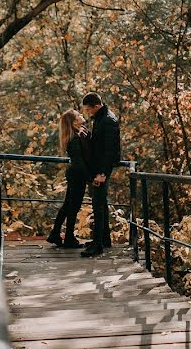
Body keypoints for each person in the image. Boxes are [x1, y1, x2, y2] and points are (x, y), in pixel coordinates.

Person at [79, 92, 120, 257]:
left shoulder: (108, 120)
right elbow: (99, 144)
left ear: (96, 106)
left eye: (89, 110)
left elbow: (109, 151)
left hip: (102, 170)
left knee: (98, 206)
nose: (88, 113)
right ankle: (104, 239)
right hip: (98, 168)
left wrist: (102, 173)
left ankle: (98, 245)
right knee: (100, 203)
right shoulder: (100, 118)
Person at [47, 109, 91, 248]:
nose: (82, 115)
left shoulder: (75, 136)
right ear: (74, 121)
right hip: (77, 175)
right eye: (79, 115)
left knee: (68, 205)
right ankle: (69, 238)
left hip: (75, 174)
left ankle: (55, 233)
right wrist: (89, 177)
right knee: (73, 207)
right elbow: (79, 162)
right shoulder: (74, 139)